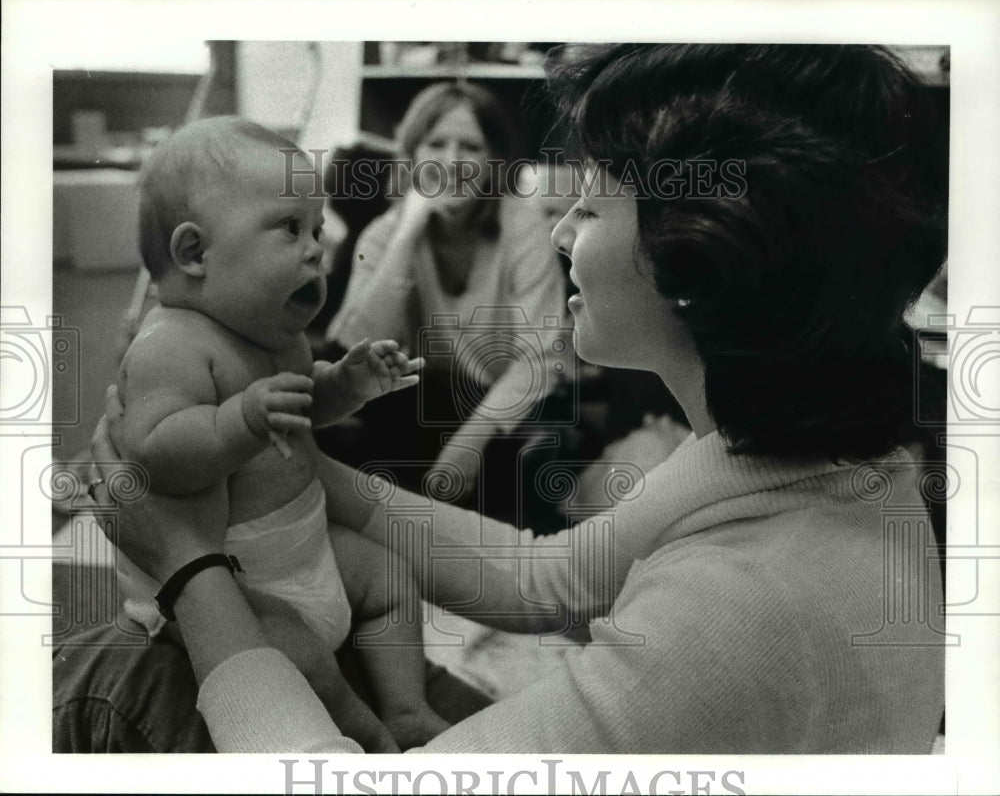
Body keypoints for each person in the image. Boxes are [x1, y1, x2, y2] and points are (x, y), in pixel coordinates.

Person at [64, 44, 946, 753]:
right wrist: (313, 478)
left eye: (593, 209)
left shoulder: (735, 619)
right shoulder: (790, 454)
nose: (565, 229)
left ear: (699, 259)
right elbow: (552, 576)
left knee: (109, 670)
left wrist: (187, 567)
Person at [107, 116, 448, 751]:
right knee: (299, 657)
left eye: (317, 228)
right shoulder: (171, 346)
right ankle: (372, 739)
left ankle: (407, 707)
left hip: (304, 546)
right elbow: (155, 456)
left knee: (388, 576)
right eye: (290, 228)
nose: (319, 246)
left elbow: (301, 406)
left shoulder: (278, 335)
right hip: (232, 583)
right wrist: (240, 419)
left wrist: (345, 386)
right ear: (194, 253)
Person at [321, 82, 572, 500]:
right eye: (436, 144)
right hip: (412, 405)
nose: (452, 162)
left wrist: (469, 446)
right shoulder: (386, 233)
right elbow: (353, 344)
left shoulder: (523, 231)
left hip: (497, 412)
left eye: (470, 147)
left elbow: (540, 358)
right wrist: (407, 234)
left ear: (493, 159)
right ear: (413, 153)